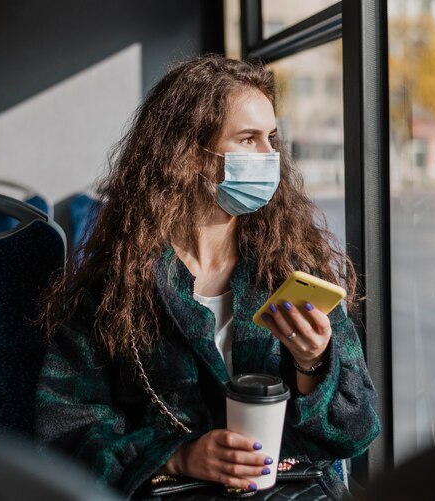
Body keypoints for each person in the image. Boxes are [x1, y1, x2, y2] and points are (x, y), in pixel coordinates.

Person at [35, 55, 380, 500]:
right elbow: (64, 433)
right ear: (189, 154)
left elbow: (357, 430)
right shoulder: (112, 289)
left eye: (271, 139)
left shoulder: (294, 269)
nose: (270, 156)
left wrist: (313, 362)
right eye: (249, 139)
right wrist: (178, 456)